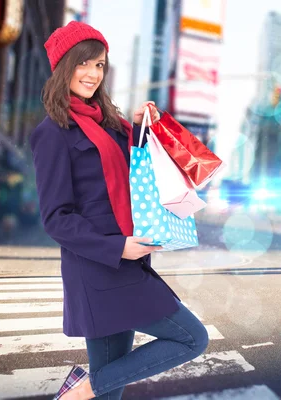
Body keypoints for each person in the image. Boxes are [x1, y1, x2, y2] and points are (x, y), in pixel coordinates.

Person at [30, 21, 208, 400]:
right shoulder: (52, 133)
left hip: (129, 262)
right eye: (84, 64)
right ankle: (79, 391)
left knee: (110, 388)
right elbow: (56, 217)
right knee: (192, 338)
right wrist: (117, 249)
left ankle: (89, 389)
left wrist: (142, 128)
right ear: (63, 66)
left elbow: (137, 172)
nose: (93, 74)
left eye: (99, 65)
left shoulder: (112, 124)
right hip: (100, 267)